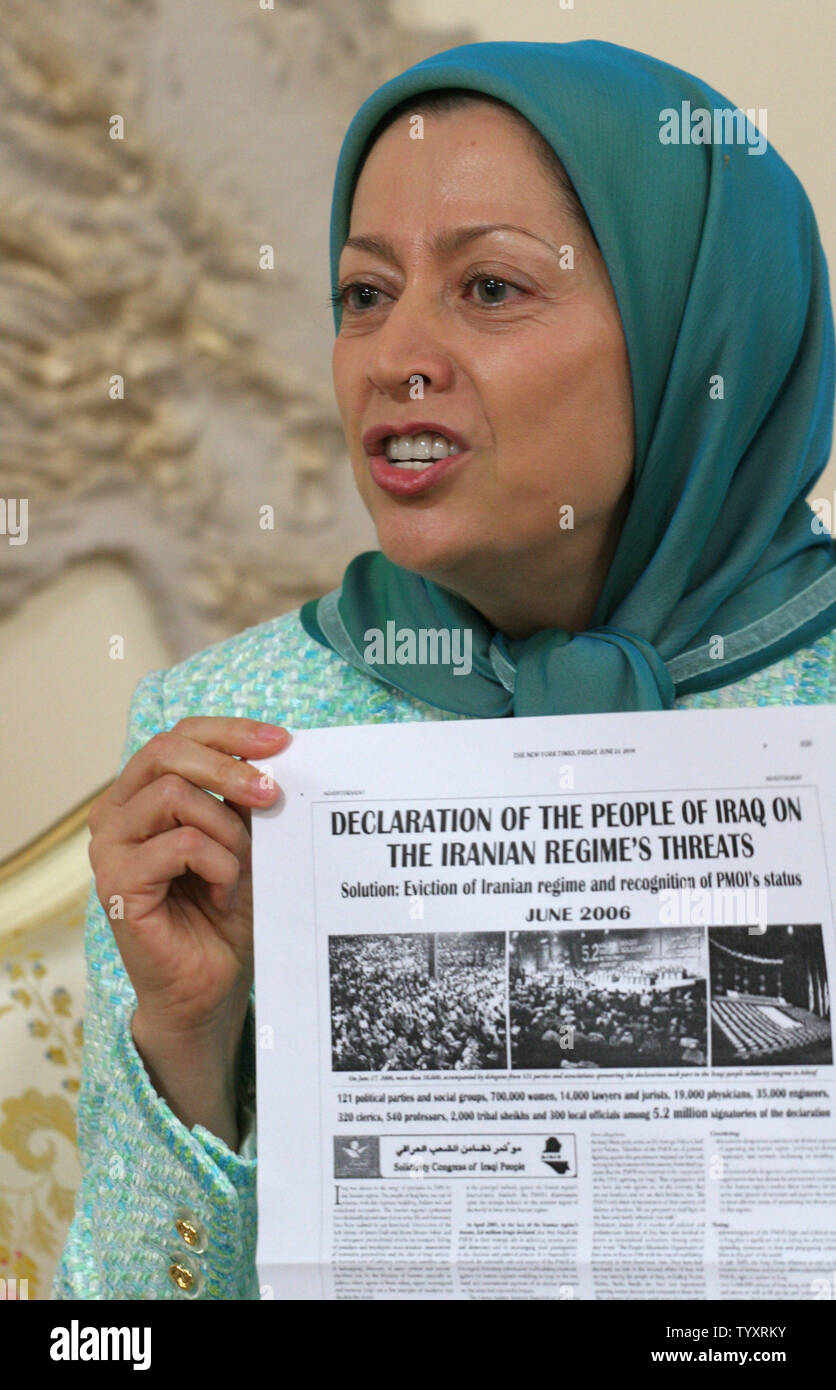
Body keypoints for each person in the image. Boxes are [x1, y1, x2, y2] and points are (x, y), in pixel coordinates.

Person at [54, 39, 836, 1299]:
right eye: (363, 295)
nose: (394, 358)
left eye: (487, 289)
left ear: (695, 322)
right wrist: (189, 1041)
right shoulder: (237, 742)